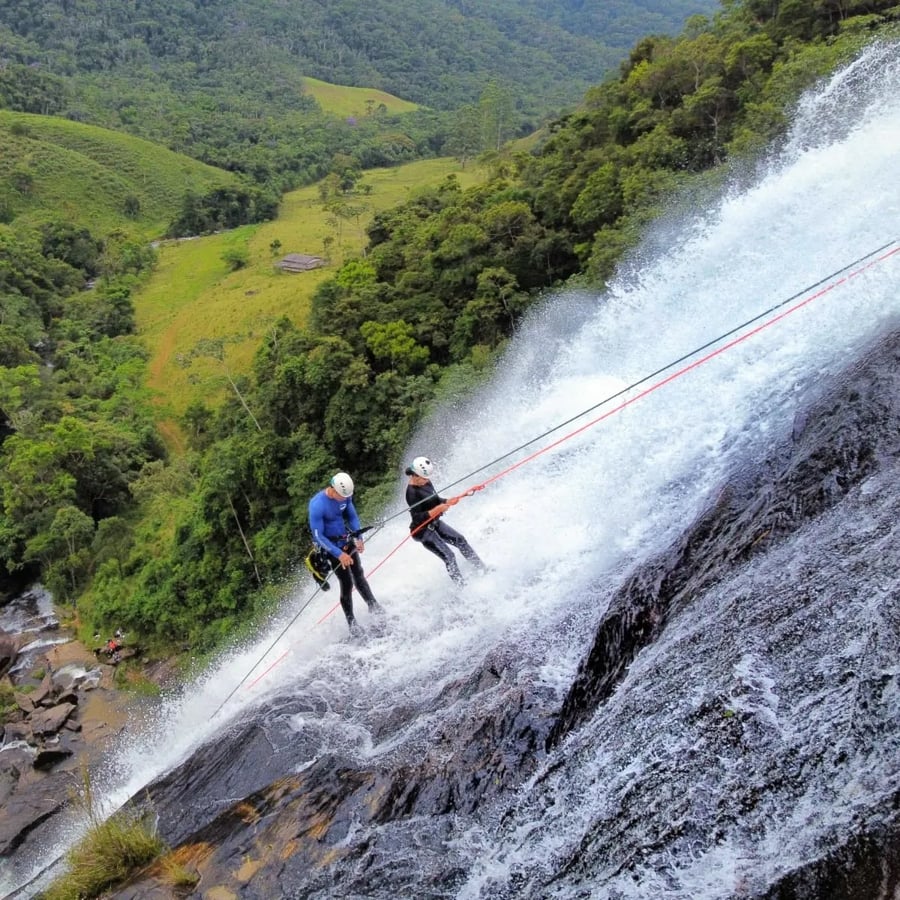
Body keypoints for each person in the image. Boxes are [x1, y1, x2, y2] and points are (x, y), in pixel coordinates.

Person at [308, 471, 383, 633]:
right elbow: (317, 535)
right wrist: (338, 554)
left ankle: (374, 606)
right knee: (347, 582)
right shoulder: (317, 505)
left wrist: (359, 537)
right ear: (333, 489)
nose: (344, 498)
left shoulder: (345, 496)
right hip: (330, 547)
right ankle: (352, 623)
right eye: (342, 496)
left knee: (359, 574)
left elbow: (353, 517)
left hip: (346, 540)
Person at [405, 456, 485, 585]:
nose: (426, 481)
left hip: (435, 523)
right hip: (422, 531)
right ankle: (462, 587)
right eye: (424, 478)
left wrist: (448, 501)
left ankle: (482, 569)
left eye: (427, 478)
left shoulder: (426, 482)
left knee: (461, 540)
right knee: (449, 556)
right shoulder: (411, 493)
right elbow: (418, 518)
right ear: (415, 475)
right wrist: (438, 509)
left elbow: (435, 500)